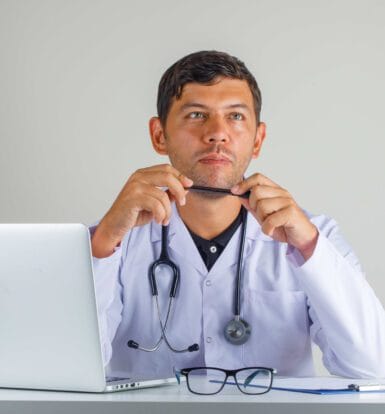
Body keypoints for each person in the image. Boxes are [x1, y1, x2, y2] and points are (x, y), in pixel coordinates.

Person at [89, 50, 385, 379]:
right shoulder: (114, 241)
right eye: (197, 115)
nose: (217, 133)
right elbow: (68, 365)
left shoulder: (316, 237)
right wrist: (102, 245)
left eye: (236, 116)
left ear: (258, 139)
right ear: (160, 135)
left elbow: (373, 367)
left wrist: (308, 247)